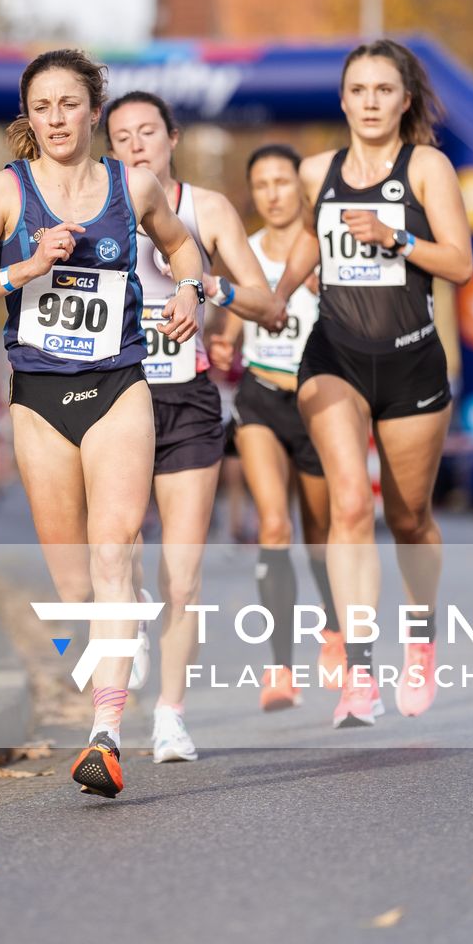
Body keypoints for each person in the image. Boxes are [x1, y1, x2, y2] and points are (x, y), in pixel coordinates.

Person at [0, 48, 204, 798]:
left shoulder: (133, 184)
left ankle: (106, 734)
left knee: (116, 546)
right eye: (42, 107)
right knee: (74, 587)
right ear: (30, 118)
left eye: (69, 104)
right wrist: (21, 269)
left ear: (95, 110)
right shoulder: (6, 190)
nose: (57, 119)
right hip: (39, 399)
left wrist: (187, 290)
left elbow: (182, 245)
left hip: (120, 383)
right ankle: (113, 663)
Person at [283, 40, 473, 728]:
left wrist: (394, 238)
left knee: (408, 518)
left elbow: (459, 265)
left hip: (411, 361)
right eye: (357, 90)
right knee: (350, 508)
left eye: (382, 90)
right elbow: (311, 238)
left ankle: (419, 641)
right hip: (334, 354)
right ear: (342, 100)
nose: (369, 102)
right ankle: (358, 675)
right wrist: (280, 290)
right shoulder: (316, 171)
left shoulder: (427, 168)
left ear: (404, 101)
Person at [105, 91, 279, 763]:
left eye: (148, 131)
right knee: (116, 558)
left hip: (186, 401)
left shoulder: (206, 209)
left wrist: (211, 290)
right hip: (113, 399)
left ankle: (171, 716)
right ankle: (131, 619)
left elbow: (266, 302)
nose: (137, 145)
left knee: (184, 574)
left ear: (173, 137)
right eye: (121, 137)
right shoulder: (98, 208)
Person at [208, 144, 336, 713]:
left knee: (321, 535)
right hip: (261, 398)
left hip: (321, 405)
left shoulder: (326, 251)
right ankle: (281, 669)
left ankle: (334, 632)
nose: (273, 194)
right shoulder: (247, 253)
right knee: (274, 525)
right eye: (262, 184)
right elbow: (231, 324)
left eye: (283, 181)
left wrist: (327, 296)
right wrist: (221, 343)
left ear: (300, 188)